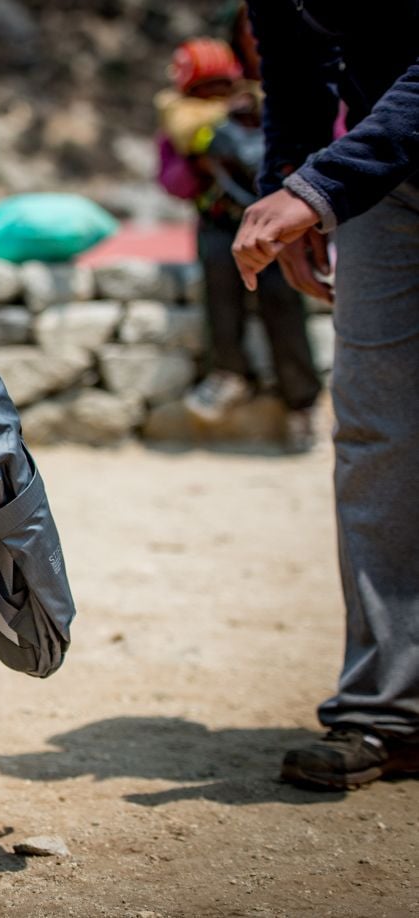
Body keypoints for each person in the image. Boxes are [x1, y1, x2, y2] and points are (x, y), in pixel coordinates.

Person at [231, 0, 419, 789]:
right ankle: (386, 711)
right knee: (376, 438)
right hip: (387, 183)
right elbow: (294, 67)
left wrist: (320, 186)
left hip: (370, 162)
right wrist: (296, 178)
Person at [155, 29, 321, 451]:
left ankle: (301, 404)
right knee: (220, 293)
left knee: (283, 301)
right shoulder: (183, 126)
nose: (214, 96)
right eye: (204, 89)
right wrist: (202, 163)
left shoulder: (261, 109)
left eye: (220, 86)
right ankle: (228, 372)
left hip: (271, 222)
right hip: (219, 223)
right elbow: (172, 181)